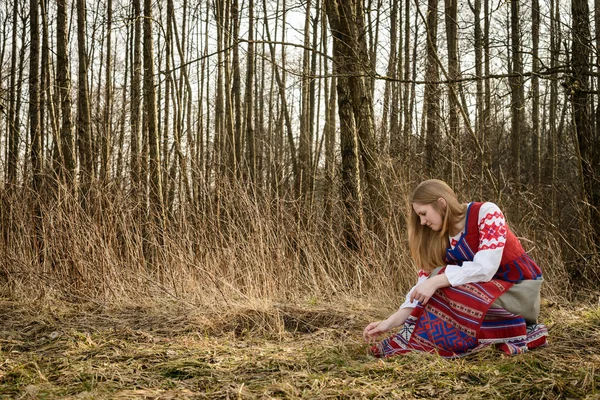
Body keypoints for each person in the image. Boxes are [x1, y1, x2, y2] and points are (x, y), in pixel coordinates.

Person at [363, 179, 548, 357]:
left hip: (519, 292)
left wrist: (436, 281)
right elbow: (422, 289)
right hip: (481, 297)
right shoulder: (438, 237)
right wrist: (389, 322)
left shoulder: (487, 213)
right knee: (437, 279)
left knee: (440, 279)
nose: (422, 222)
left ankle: (512, 328)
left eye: (423, 213)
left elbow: (486, 268)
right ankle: (437, 340)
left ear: (442, 204)